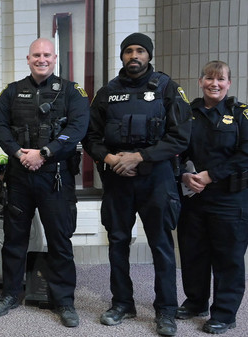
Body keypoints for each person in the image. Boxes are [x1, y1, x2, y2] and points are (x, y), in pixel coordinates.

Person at [82, 33, 192, 336]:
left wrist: (140, 157)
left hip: (157, 179)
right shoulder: (106, 93)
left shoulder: (168, 88)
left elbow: (180, 137)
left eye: (140, 50)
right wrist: (112, 158)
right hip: (118, 179)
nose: (134, 56)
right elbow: (90, 137)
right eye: (129, 51)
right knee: (117, 243)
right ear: (122, 56)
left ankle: (166, 310)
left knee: (161, 245)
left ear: (149, 55)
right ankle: (122, 303)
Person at [0, 38, 89, 327]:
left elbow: (79, 127)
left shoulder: (72, 91)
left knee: (59, 240)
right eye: (36, 55)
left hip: (55, 177)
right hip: (20, 176)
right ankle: (9, 294)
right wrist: (20, 153)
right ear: (28, 58)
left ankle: (65, 301)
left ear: (54, 57)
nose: (41, 59)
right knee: (14, 239)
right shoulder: (11, 91)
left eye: (46, 54)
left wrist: (45, 153)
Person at [176, 61, 248, 334]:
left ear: (229, 83)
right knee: (194, 254)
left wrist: (211, 175)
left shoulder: (240, 114)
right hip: (193, 196)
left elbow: (245, 154)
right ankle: (196, 303)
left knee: (228, 258)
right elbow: (176, 149)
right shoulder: (187, 113)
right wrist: (184, 175)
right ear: (200, 81)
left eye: (220, 79)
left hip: (231, 199)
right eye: (209, 78)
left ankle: (225, 314)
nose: (214, 84)